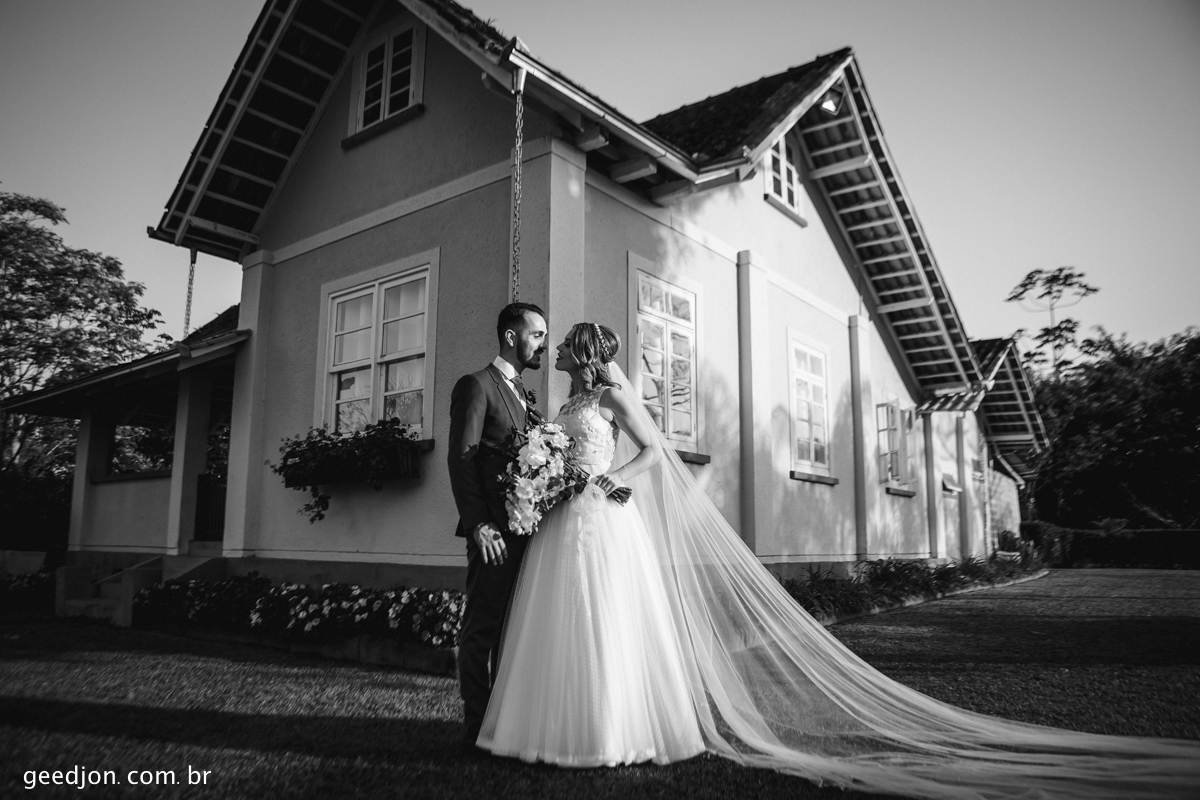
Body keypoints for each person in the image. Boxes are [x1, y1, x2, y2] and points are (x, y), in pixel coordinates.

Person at [476, 322, 1200, 799]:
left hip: (604, 516)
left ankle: (610, 730)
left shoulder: (610, 393)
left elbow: (655, 451)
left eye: (566, 344)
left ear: (586, 351)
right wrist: (553, 475)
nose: (557, 350)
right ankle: (549, 729)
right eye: (552, 344)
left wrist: (609, 479)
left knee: (606, 618)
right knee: (564, 618)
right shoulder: (564, 401)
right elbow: (561, 452)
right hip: (566, 518)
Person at [447, 302, 547, 755]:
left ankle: (503, 724)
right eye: (537, 334)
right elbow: (462, 460)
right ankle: (477, 728)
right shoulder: (476, 385)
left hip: (525, 529)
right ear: (511, 336)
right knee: (482, 628)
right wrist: (479, 525)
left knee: (512, 628)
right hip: (493, 532)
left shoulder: (523, 392)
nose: (542, 344)